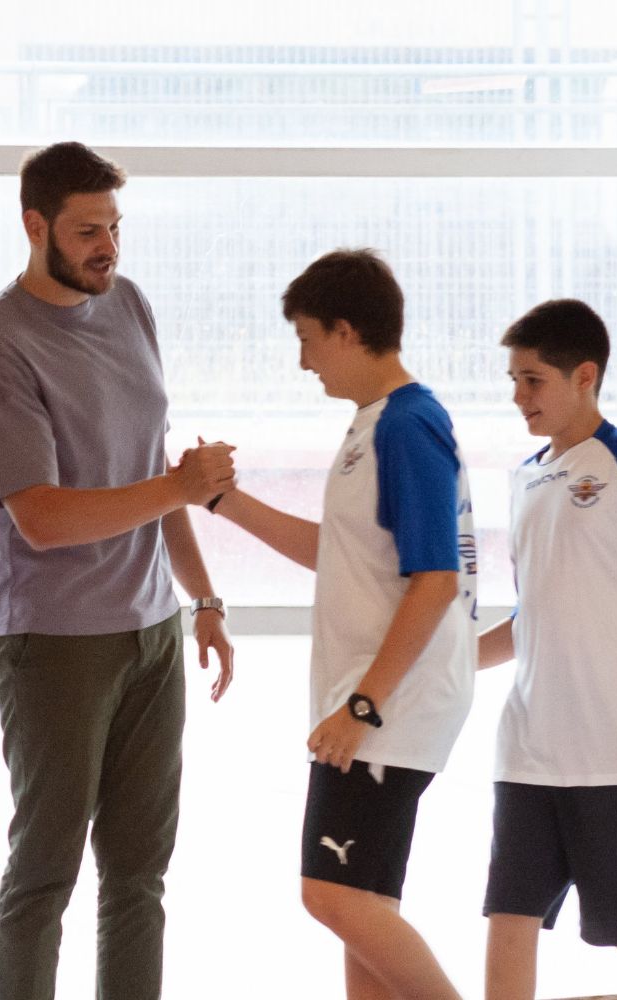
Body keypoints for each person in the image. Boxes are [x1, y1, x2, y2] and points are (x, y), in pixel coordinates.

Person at [0, 141, 235, 1000]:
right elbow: (41, 515)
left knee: (140, 874)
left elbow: (151, 474)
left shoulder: (129, 306)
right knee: (46, 873)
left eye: (114, 226)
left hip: (151, 631)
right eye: (86, 231)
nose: (107, 246)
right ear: (35, 227)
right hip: (51, 641)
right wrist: (175, 486)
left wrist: (204, 598)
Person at [211, 249, 476, 1000]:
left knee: (333, 897)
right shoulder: (376, 424)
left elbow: (435, 581)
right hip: (376, 704)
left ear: (346, 330)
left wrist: (364, 706)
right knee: (362, 919)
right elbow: (343, 556)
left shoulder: (408, 425)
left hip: (387, 709)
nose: (303, 362)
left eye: (306, 338)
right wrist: (224, 502)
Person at [477, 298, 617, 1000]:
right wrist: (441, 667)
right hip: (528, 751)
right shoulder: (524, 478)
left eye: (533, 380)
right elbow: (530, 620)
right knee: (509, 917)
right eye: (513, 380)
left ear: (585, 376)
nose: (519, 397)